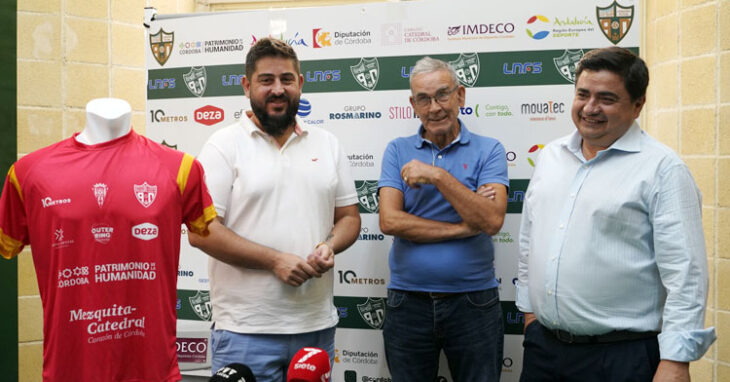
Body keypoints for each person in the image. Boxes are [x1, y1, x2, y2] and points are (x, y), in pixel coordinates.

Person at [517, 46, 716, 381]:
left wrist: (676, 360)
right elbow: (529, 242)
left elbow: (686, 274)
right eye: (583, 94)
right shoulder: (551, 157)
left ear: (638, 105)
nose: (590, 108)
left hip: (622, 359)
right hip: (545, 350)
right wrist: (531, 314)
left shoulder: (663, 170)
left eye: (607, 98)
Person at [0, 98, 217, 381]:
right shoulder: (29, 173)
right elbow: (11, 242)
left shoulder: (181, 168)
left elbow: (203, 230)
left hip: (152, 369)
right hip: (71, 369)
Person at [188, 37, 361, 381]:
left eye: (287, 79)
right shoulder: (223, 146)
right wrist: (275, 260)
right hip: (244, 333)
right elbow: (201, 232)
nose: (278, 89)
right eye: (266, 80)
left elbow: (349, 218)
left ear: (301, 82)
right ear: (247, 85)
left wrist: (330, 245)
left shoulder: (327, 144)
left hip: (315, 328)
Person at [378, 56, 509, 382]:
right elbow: (391, 222)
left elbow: (491, 221)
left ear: (460, 96)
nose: (434, 107)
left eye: (442, 95)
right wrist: (464, 226)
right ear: (413, 104)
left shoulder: (490, 150)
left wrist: (437, 176)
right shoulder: (397, 150)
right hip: (407, 302)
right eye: (423, 98)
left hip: (474, 303)